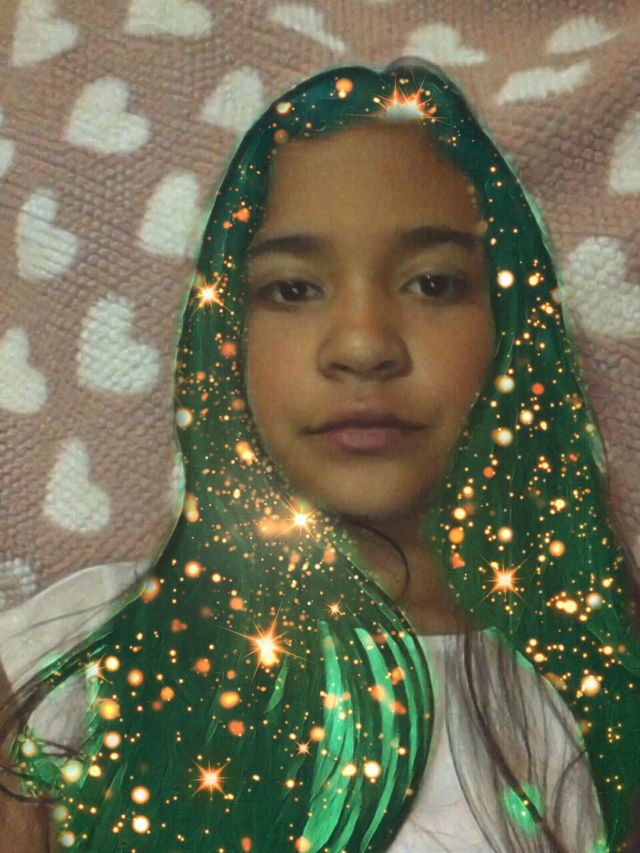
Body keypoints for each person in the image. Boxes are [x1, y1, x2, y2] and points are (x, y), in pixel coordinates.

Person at [1, 60, 639, 852]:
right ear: (226, 337)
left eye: (433, 283)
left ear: (509, 328)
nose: (363, 345)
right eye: (294, 289)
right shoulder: (70, 663)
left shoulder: (594, 698)